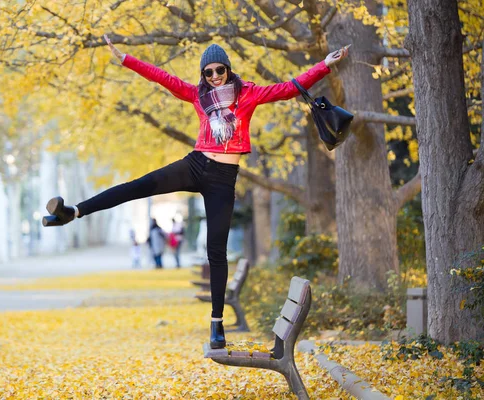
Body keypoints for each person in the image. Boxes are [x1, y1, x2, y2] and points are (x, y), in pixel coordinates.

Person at [43, 36, 349, 349]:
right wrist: (125, 59)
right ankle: (72, 213)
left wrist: (325, 65)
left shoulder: (250, 94)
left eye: (220, 71)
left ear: (228, 69)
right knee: (135, 188)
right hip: (196, 164)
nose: (215, 77)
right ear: (202, 74)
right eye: (209, 73)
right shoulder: (196, 95)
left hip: (223, 179)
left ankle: (216, 325)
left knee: (216, 249)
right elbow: (162, 77)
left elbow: (289, 87)